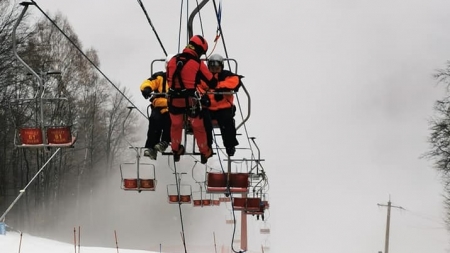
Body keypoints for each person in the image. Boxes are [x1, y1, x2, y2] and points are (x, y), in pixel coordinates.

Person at [166, 35, 217, 164]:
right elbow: (211, 82)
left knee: (176, 125)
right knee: (198, 126)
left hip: (173, 100)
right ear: (199, 50)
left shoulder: (172, 60)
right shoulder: (198, 63)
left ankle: (176, 149)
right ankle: (204, 151)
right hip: (190, 101)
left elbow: (169, 79)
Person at [203, 54, 243, 156]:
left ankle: (230, 145)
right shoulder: (204, 76)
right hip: (208, 108)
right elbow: (198, 86)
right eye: (212, 67)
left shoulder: (226, 75)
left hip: (223, 107)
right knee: (203, 122)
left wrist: (219, 86)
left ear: (221, 66)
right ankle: (207, 146)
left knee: (227, 122)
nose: (214, 69)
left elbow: (235, 81)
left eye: (217, 67)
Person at [140, 55, 174, 160]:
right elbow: (149, 82)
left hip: (174, 106)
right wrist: (146, 89)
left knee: (169, 120)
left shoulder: (181, 80)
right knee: (154, 120)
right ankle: (151, 147)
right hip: (159, 105)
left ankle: (164, 141)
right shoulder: (160, 77)